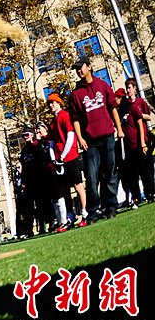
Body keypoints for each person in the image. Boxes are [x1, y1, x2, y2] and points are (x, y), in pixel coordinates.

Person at [68, 57, 124, 221]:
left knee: (110, 173)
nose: (79, 70)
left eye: (81, 67)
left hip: (107, 136)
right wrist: (80, 138)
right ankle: (92, 212)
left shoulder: (103, 85)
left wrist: (119, 128)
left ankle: (111, 207)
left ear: (89, 66)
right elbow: (75, 119)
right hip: (90, 142)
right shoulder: (75, 94)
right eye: (76, 68)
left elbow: (113, 108)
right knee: (92, 178)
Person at [46, 92, 88, 227]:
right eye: (49, 103)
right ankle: (70, 216)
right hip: (59, 161)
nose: (51, 105)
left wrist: (63, 156)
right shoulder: (53, 122)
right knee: (64, 189)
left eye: (53, 102)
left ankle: (85, 212)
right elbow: (52, 143)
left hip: (70, 157)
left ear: (59, 103)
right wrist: (54, 159)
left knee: (78, 185)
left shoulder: (65, 116)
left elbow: (70, 136)